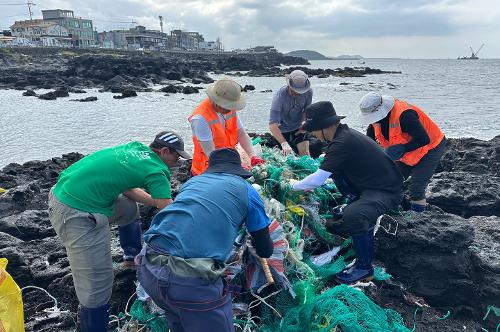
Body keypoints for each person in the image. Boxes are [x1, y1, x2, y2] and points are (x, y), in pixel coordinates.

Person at [48, 131, 191, 332]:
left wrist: (156, 201)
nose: (177, 162)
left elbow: (128, 190)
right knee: (98, 285)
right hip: (74, 212)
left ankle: (131, 258)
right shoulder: (157, 170)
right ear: (165, 151)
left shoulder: (135, 149)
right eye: (176, 156)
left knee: (127, 207)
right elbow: (169, 213)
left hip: (65, 190)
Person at [138, 148, 273, 332]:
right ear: (237, 171)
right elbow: (265, 249)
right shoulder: (246, 190)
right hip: (188, 282)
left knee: (180, 321)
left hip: (148, 268)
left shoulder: (193, 182)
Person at [290, 101, 403, 284]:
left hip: (387, 192)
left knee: (353, 215)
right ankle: (356, 200)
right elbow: (326, 172)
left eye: (314, 130)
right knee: (336, 171)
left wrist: (292, 186)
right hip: (371, 187)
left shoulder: (343, 142)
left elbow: (318, 180)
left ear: (324, 127)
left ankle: (364, 267)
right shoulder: (344, 136)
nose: (313, 135)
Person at [359, 92, 446, 212]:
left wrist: (403, 148)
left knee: (416, 187)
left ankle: (420, 220)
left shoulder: (405, 116)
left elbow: (424, 139)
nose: (373, 121)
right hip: (408, 152)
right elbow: (370, 140)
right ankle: (403, 208)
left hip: (432, 147)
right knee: (391, 180)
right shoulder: (376, 120)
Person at [188, 77, 264, 175]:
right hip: (206, 171)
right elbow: (212, 155)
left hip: (228, 164)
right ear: (216, 101)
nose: (231, 109)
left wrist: (252, 155)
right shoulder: (200, 118)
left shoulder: (229, 109)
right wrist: (236, 166)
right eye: (228, 105)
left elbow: (241, 134)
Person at [269, 69, 313, 156]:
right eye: (293, 91)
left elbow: (306, 110)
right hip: (282, 129)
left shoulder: (308, 92)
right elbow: (273, 125)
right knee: (286, 159)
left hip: (299, 128)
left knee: (305, 155)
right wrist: (284, 143)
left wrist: (304, 123)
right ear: (288, 85)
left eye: (299, 92)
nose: (296, 94)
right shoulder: (280, 96)